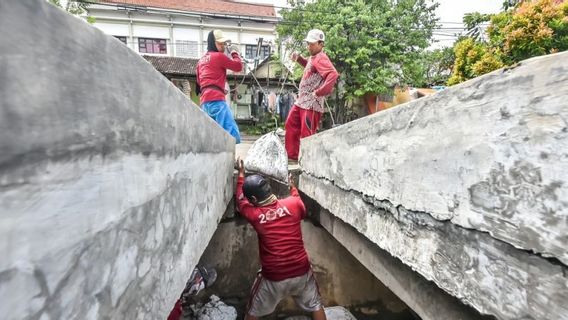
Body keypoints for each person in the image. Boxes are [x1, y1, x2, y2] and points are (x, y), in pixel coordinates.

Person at [235, 158, 327, 320]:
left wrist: (241, 175)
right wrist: (293, 187)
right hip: (301, 271)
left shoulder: (255, 215)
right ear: (270, 191)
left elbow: (241, 200)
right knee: (316, 304)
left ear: (254, 200)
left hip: (274, 276)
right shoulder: (294, 204)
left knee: (253, 311)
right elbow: (300, 205)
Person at [285, 29, 339, 161]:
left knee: (306, 134)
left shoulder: (321, 57)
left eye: (311, 43)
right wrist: (299, 59)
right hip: (302, 101)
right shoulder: (314, 58)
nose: (308, 46)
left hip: (311, 104)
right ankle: (293, 156)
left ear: (321, 44)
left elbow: (333, 74)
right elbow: (311, 67)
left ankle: (306, 161)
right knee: (291, 124)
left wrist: (320, 92)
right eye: (308, 43)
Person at [196, 30, 243, 144]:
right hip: (217, 101)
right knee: (232, 135)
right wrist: (234, 53)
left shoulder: (200, 61)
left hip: (204, 103)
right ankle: (229, 160)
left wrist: (219, 88)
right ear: (213, 43)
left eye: (223, 44)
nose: (222, 46)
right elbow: (238, 66)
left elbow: (199, 83)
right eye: (220, 43)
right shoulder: (218, 56)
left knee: (210, 137)